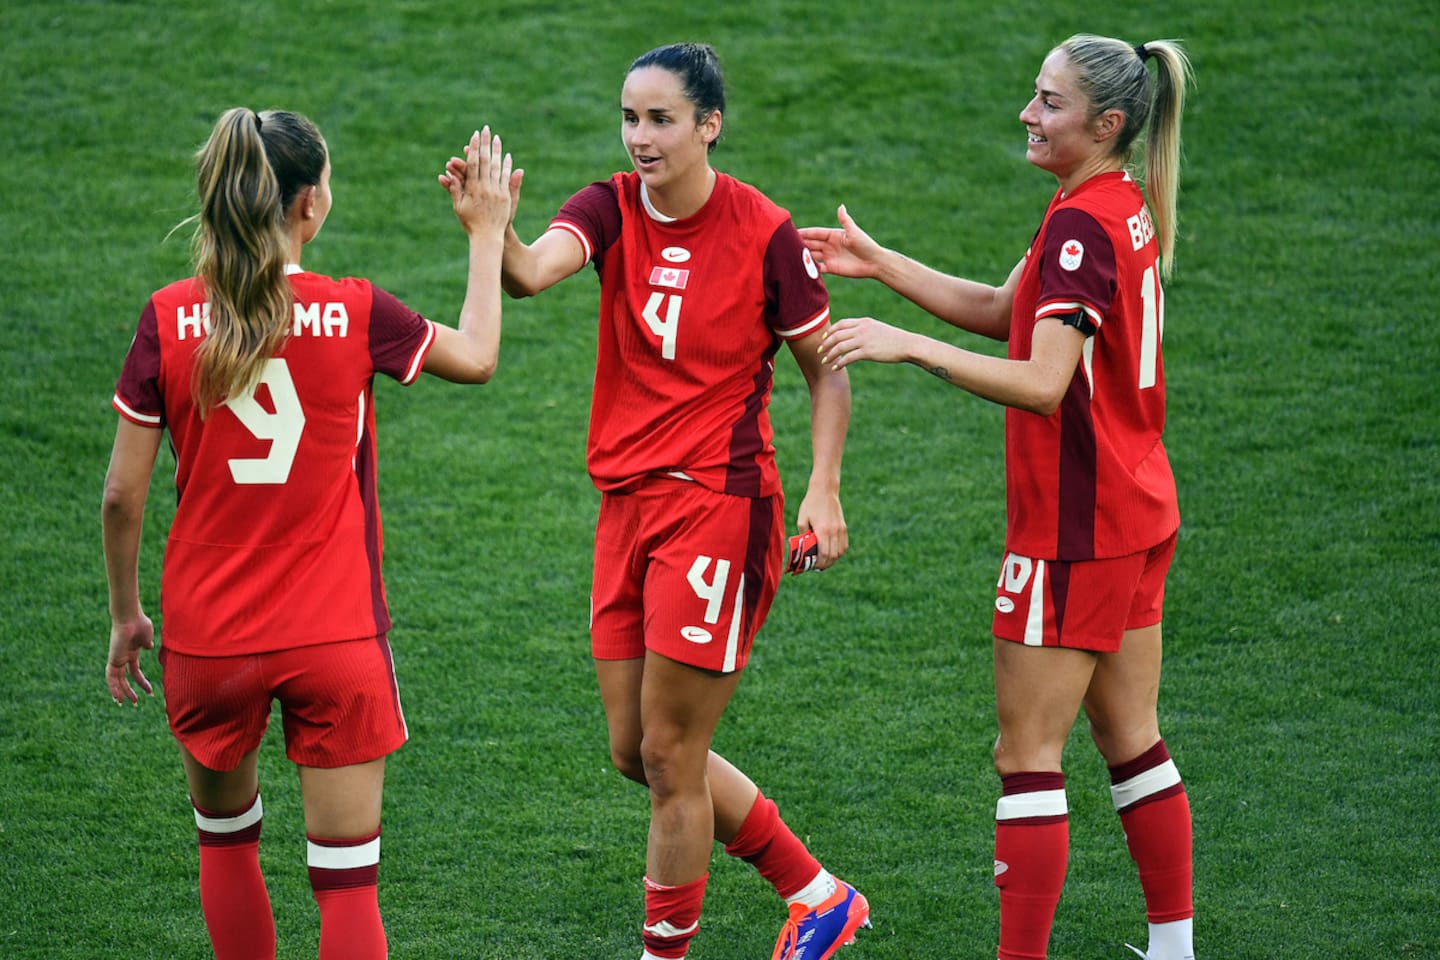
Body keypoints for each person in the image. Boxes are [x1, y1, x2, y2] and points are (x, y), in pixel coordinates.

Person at [801, 34, 1196, 960]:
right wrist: (880, 261)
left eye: (1049, 102)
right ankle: (1176, 949)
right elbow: (1002, 306)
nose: (1027, 112)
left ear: (1104, 124)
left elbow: (1043, 380)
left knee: (1026, 760)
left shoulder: (1078, 222)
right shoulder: (1111, 202)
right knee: (1133, 740)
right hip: (1138, 512)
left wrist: (909, 348)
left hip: (1074, 528)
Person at [486, 41, 868, 960]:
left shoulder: (764, 232)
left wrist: (824, 490)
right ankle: (819, 895)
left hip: (720, 505)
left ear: (709, 125)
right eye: (629, 117)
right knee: (636, 750)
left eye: (660, 120)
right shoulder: (611, 206)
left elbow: (828, 374)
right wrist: (489, 223)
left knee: (668, 755)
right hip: (628, 508)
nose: (640, 137)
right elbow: (531, 272)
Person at [102, 108, 513, 959]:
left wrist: (126, 615)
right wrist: (487, 229)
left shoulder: (169, 317)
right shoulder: (356, 310)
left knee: (226, 844)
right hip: (336, 637)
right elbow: (477, 355)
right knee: (347, 880)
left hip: (208, 641)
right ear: (310, 205)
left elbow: (120, 498)